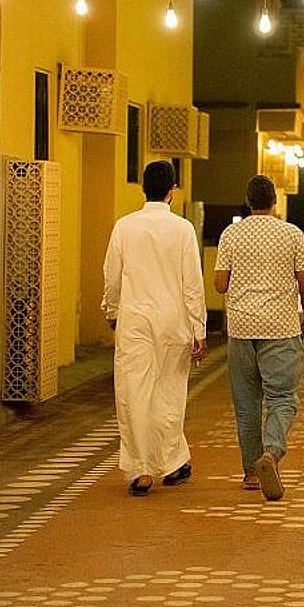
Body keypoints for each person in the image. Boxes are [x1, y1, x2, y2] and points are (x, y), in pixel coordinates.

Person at [101, 160, 207, 497]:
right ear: (172, 191)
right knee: (169, 393)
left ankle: (141, 470)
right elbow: (193, 283)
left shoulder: (124, 227)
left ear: (143, 189)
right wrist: (199, 329)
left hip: (134, 320)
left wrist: (112, 310)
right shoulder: (183, 229)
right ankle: (173, 463)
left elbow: (112, 276)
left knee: (134, 392)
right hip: (174, 322)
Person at [214, 175, 304, 501]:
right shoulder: (292, 234)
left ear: (248, 202)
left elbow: (220, 283)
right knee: (282, 399)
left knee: (247, 406)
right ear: (274, 201)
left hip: (241, 329)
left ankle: (251, 474)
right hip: (281, 328)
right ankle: (270, 453)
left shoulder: (231, 234)